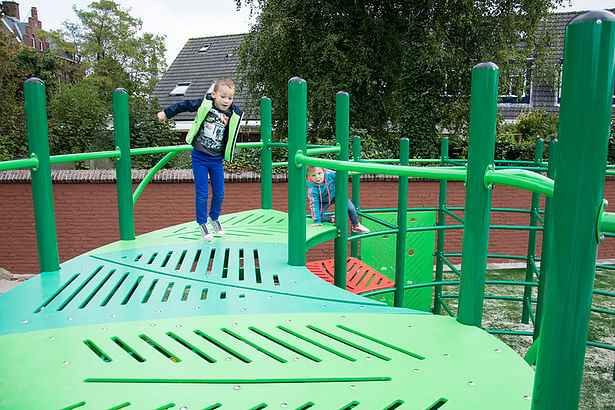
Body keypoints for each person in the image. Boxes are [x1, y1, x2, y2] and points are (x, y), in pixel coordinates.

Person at [157, 77, 243, 241]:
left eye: (230, 98)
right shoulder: (206, 104)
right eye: (223, 96)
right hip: (200, 157)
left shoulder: (233, 113)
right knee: (202, 193)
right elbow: (184, 105)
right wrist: (166, 113)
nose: (226, 101)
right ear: (214, 94)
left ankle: (214, 218)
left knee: (219, 193)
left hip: (216, 159)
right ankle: (202, 223)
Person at [306, 165, 370, 233]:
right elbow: (314, 204)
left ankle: (356, 225)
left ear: (323, 170)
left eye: (319, 173)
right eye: (313, 175)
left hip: (336, 195)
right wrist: (317, 221)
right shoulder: (312, 190)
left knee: (351, 208)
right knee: (318, 216)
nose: (317, 177)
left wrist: (350, 171)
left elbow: (340, 175)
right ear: (309, 176)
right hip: (324, 201)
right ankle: (332, 219)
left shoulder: (329, 174)